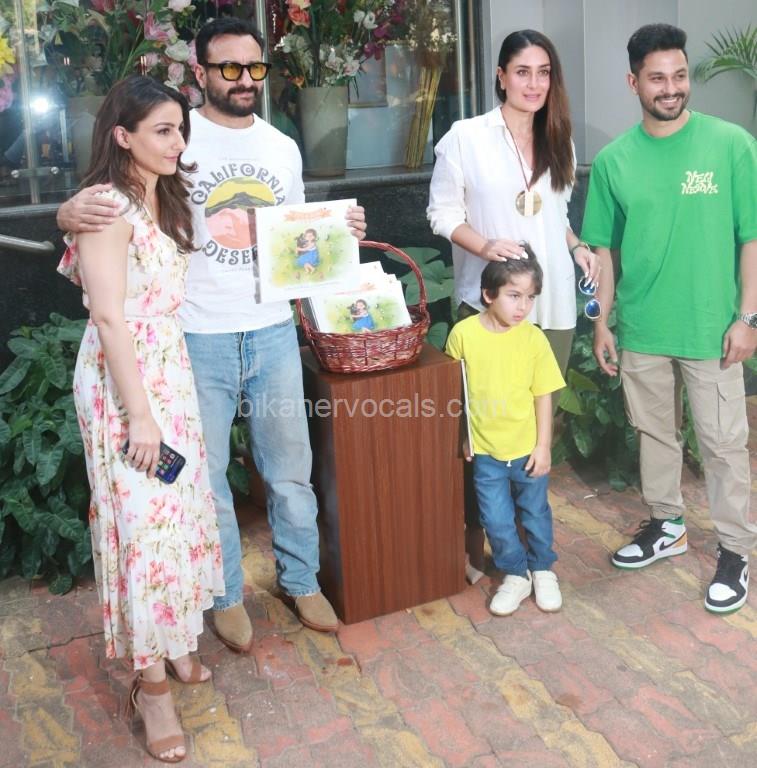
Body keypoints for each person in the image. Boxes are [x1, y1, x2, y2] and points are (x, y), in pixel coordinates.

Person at [57, 18, 367, 649]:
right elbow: (119, 201)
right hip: (194, 336)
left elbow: (298, 234)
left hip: (273, 329)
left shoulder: (282, 147)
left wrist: (339, 233)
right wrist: (67, 211)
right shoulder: (174, 137)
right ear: (199, 72)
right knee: (207, 478)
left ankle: (301, 580)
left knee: (291, 471)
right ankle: (224, 594)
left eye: (254, 67)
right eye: (229, 67)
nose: (244, 79)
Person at [58, 75, 224, 763]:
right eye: (162, 130)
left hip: (168, 370)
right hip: (124, 379)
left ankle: (177, 639)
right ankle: (151, 686)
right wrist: (139, 416)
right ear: (122, 135)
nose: (176, 141)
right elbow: (107, 315)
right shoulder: (106, 205)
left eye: (180, 128)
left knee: (178, 515)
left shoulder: (164, 194)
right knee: (145, 529)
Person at [581, 23, 757, 614]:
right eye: (657, 78)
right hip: (643, 328)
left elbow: (752, 238)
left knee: (723, 444)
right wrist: (601, 321)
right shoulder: (614, 161)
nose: (671, 87)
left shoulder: (731, 145)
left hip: (712, 328)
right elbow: (604, 251)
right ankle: (667, 525)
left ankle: (734, 550)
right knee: (655, 435)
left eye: (679, 75)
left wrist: (750, 317)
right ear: (633, 83)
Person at [427, 29, 598, 583]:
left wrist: (578, 248)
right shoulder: (465, 137)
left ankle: (529, 542)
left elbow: (557, 217)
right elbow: (441, 214)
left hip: (551, 306)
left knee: (536, 423)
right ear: (500, 76)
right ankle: (474, 539)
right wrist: (484, 246)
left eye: (544, 72)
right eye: (522, 71)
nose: (533, 83)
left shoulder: (559, 139)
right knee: (481, 428)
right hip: (491, 305)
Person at [445, 248, 566, 616]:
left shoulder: (533, 339)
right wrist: (464, 435)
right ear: (488, 294)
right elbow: (456, 393)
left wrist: (543, 447)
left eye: (530, 297)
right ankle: (516, 574)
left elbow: (543, 395)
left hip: (527, 449)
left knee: (535, 513)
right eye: (514, 296)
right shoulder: (463, 334)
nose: (523, 307)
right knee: (495, 520)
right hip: (486, 453)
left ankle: (542, 569)